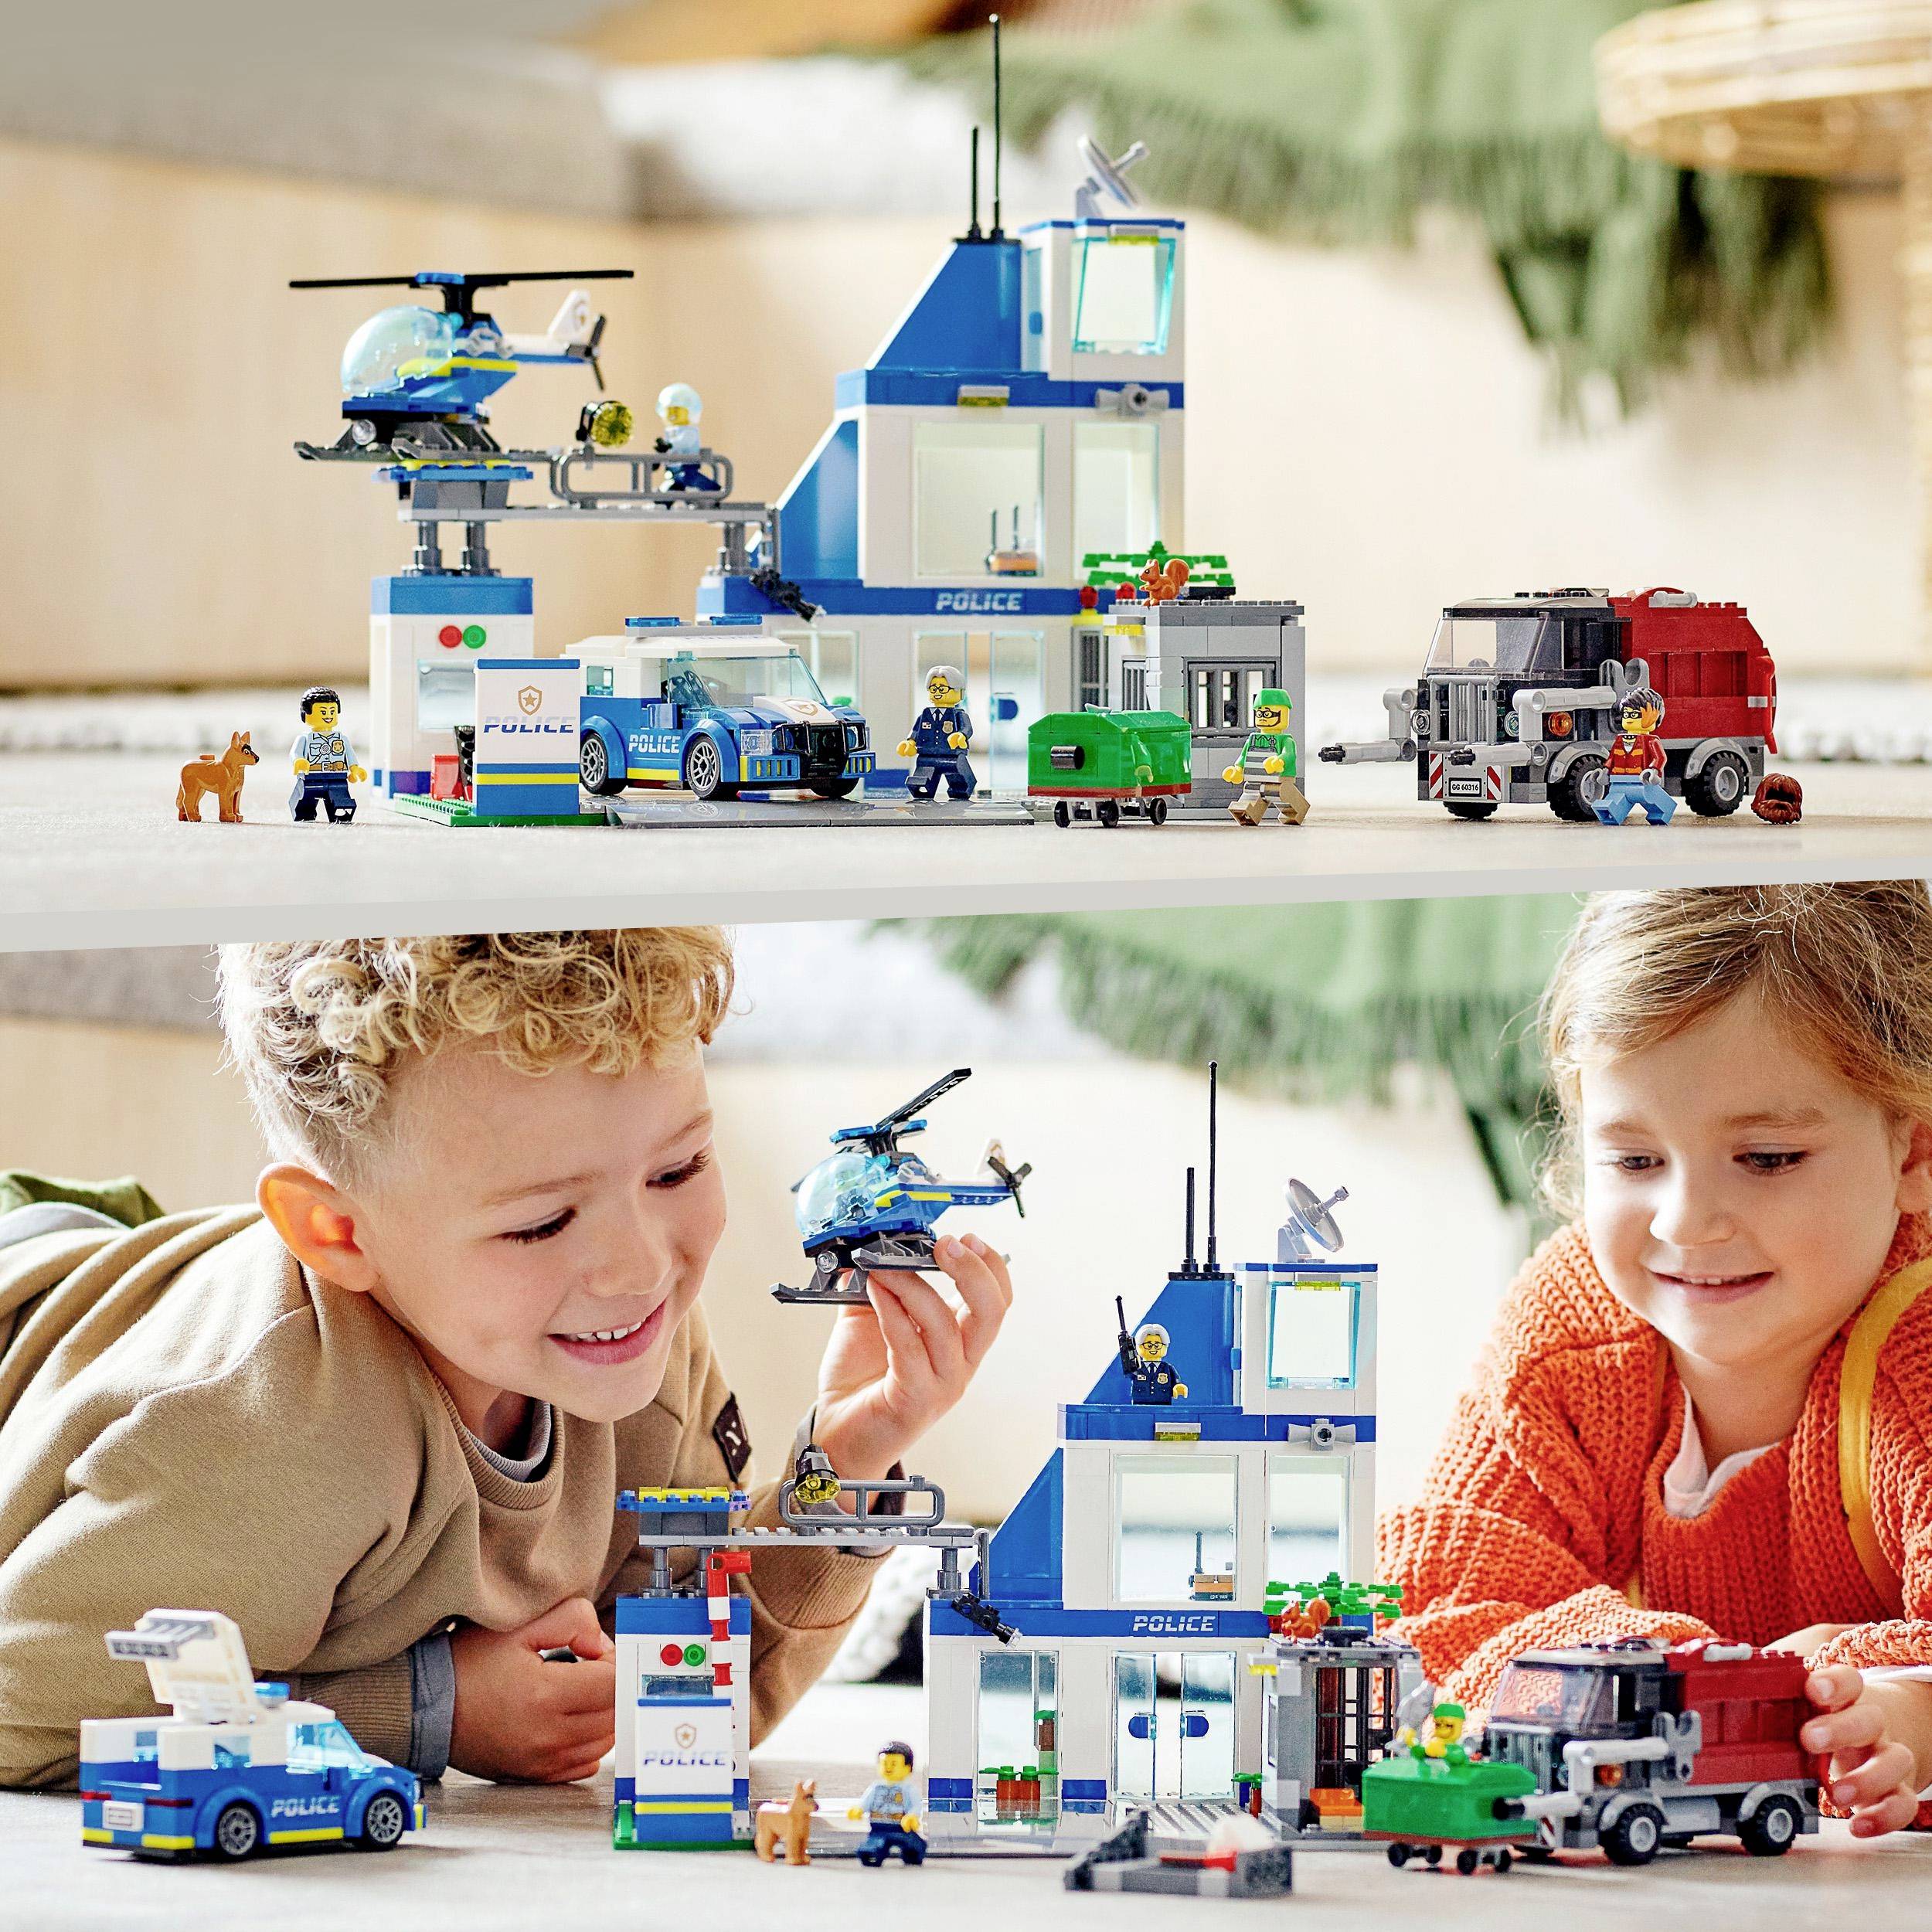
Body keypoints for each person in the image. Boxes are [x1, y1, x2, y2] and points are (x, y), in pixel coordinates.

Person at [0, 929, 1012, 1790]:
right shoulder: (264, 1449)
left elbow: (690, 1699)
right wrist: (424, 1709)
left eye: (678, 1169)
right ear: (338, 1233)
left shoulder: (632, 1351)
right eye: (540, 1223)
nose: (639, 1267)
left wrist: (846, 1463)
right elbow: (22, 1712)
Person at [1379, 883, 1932, 1837]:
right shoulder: (1568, 1334)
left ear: (1913, 1152)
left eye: (1766, 1157)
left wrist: (1910, 1709)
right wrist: (1707, 1682)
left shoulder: (1915, 1358)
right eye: (1634, 1161)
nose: (1685, 1222)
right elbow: (1440, 1608)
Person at [1591, 686, 1675, 826]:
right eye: (1626, 714)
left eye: (1635, 715)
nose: (1629, 718)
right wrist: (1606, 771)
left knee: (1654, 800)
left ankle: (1664, 811)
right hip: (1619, 780)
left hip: (1642, 780)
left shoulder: (1651, 741)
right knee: (1612, 803)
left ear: (1652, 716)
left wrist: (1654, 771)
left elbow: (1660, 758)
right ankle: (1612, 815)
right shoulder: (1620, 740)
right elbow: (1612, 758)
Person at [1223, 689, 1308, 827]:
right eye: (1259, 714)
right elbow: (1244, 756)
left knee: (1277, 792)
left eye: (1268, 714)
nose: (1263, 718)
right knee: (1251, 793)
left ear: (1284, 714)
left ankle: (1298, 809)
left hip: (1279, 778)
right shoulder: (1253, 739)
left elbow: (1289, 755)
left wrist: (1280, 760)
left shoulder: (1286, 740)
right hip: (1255, 778)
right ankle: (1249, 814)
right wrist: (1237, 769)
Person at [289, 686, 366, 825]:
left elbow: (350, 755)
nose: (328, 716)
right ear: (306, 714)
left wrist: (355, 769)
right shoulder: (305, 738)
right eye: (323, 712)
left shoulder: (341, 739)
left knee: (342, 801)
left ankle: (340, 814)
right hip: (311, 777)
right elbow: (295, 752)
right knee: (304, 802)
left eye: (332, 711)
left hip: (337, 777)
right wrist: (298, 761)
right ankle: (305, 813)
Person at [900, 666, 976, 801]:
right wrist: (910, 742)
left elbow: (967, 729)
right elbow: (916, 731)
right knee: (919, 783)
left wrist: (961, 735)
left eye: (942, 689)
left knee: (961, 784)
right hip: (927, 756)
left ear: (959, 692)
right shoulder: (925, 715)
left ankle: (959, 790)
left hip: (952, 755)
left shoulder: (958, 715)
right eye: (933, 689)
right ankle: (926, 790)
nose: (937, 693)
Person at [849, 1739, 925, 1865]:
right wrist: (859, 1809)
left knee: (913, 1846)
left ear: (908, 1767)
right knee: (872, 1848)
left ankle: (914, 1852)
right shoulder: (876, 1788)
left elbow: (916, 1805)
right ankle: (872, 1854)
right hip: (879, 1827)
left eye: (894, 1764)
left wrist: (912, 1816)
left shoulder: (908, 1789)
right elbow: (865, 1802)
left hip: (901, 1828)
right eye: (885, 1763)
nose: (888, 1768)